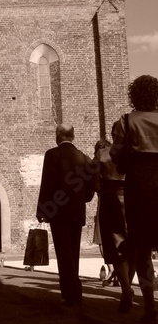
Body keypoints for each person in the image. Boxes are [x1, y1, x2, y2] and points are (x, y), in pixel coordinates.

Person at [111, 75, 158, 324]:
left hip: (140, 185)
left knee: (142, 248)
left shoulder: (126, 121)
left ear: (134, 96)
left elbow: (116, 155)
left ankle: (149, 305)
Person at [36, 123, 95, 307]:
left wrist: (42, 209)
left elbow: (47, 184)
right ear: (73, 136)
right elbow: (91, 186)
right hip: (77, 212)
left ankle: (71, 294)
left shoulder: (53, 154)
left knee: (64, 253)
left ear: (58, 135)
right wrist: (83, 199)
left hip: (58, 211)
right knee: (74, 252)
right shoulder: (83, 157)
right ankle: (73, 293)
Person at [93, 133, 135, 312]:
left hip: (111, 200)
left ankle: (126, 289)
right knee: (133, 245)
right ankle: (127, 287)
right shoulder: (133, 152)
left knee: (115, 246)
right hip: (133, 199)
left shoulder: (101, 154)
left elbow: (94, 184)